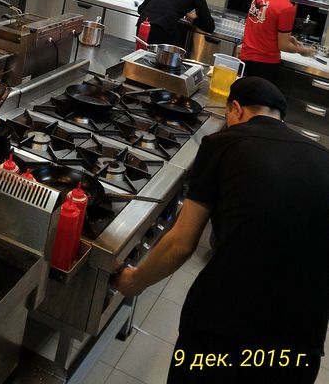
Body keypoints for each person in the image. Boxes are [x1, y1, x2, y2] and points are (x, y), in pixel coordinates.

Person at [115, 76, 329, 384]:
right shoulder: (323, 157)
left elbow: (181, 244)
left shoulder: (223, 143)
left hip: (224, 333)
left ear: (236, 109)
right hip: (301, 347)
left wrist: (133, 281)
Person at [239, 0, 316, 83]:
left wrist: (288, 37)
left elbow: (263, 25)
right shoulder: (287, 7)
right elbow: (283, 46)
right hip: (264, 66)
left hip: (245, 59)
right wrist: (303, 51)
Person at [136, 0, 215, 46]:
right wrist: (193, 20)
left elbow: (141, 9)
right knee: (156, 55)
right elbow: (209, 27)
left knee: (139, 53)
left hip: (142, 24)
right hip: (161, 29)